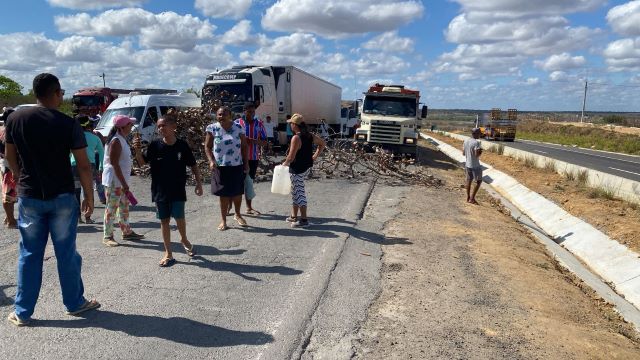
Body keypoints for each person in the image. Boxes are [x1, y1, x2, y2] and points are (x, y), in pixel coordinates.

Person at [4, 73, 100, 326]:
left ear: (36, 92)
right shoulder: (68, 124)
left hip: (30, 196)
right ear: (56, 93)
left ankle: (23, 312)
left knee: (29, 255)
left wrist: (18, 175)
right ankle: (74, 303)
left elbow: (9, 155)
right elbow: (83, 165)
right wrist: (89, 196)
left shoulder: (15, 119)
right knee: (66, 253)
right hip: (62, 197)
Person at [133, 109, 203, 267]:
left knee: (179, 219)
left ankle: (184, 239)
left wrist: (198, 183)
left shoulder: (182, 145)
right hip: (160, 191)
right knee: (164, 221)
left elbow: (193, 165)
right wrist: (137, 150)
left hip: (178, 189)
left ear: (173, 127)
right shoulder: (154, 146)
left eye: (163, 125)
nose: (160, 129)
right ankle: (169, 253)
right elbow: (142, 163)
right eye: (158, 126)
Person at [101, 115, 144, 246]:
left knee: (124, 207)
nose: (131, 127)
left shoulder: (121, 139)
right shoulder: (116, 141)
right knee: (111, 208)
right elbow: (115, 164)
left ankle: (126, 231)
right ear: (122, 127)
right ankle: (107, 236)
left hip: (121, 180)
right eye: (130, 125)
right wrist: (124, 184)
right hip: (115, 181)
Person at [204, 106, 249, 230]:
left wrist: (246, 163)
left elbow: (245, 146)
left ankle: (238, 215)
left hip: (237, 165)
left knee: (237, 193)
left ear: (230, 115)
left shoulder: (238, 128)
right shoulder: (212, 128)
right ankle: (223, 220)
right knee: (223, 194)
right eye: (219, 114)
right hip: (220, 167)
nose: (221, 117)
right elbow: (207, 147)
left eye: (223, 114)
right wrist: (211, 161)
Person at [282, 113, 326, 228]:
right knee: (295, 192)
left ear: (294, 125)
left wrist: (283, 165)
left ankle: (304, 220)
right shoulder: (309, 135)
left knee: (299, 193)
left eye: (291, 123)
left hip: (297, 169)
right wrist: (315, 156)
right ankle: (293, 216)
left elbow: (291, 157)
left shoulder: (296, 138)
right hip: (306, 167)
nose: (290, 125)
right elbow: (322, 143)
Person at [71, 115, 104, 223]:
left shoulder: (73, 137)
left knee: (76, 192)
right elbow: (102, 153)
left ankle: (78, 217)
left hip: (74, 166)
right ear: (89, 125)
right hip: (90, 167)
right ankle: (88, 217)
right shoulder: (95, 138)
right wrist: (101, 167)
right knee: (88, 191)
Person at [235, 103, 267, 215]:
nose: (252, 114)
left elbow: (264, 142)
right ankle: (232, 209)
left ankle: (249, 207)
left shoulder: (259, 124)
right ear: (244, 111)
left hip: (253, 158)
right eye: (249, 112)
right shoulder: (237, 123)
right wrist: (242, 140)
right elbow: (231, 138)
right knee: (236, 183)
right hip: (238, 158)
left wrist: (253, 141)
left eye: (253, 112)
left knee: (249, 182)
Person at [1, 108, 17, 228]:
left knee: (9, 194)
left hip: (4, 164)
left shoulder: (2, 130)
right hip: (10, 165)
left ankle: (9, 217)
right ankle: (11, 220)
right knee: (9, 194)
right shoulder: (10, 131)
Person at [463, 128, 483, 205]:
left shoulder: (466, 141)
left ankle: (468, 197)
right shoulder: (477, 143)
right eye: (479, 133)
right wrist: (480, 151)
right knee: (479, 181)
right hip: (475, 166)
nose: (480, 134)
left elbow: (463, 153)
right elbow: (476, 155)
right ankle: (472, 198)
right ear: (475, 133)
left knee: (468, 181)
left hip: (468, 164)